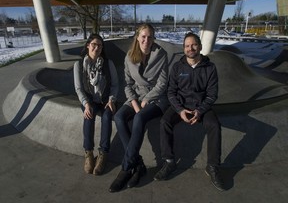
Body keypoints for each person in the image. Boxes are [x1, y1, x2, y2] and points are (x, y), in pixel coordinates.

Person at [153, 33, 225, 191]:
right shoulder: (177, 68)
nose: (190, 48)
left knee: (214, 125)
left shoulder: (210, 68)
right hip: (181, 105)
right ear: (183, 48)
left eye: (193, 45)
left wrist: (200, 111)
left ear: (199, 46)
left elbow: (212, 95)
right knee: (165, 122)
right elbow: (171, 92)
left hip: (202, 107)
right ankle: (169, 162)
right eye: (187, 45)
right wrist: (179, 110)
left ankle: (212, 167)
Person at [109, 23, 169, 192]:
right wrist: (134, 102)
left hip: (156, 98)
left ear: (153, 38)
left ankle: (127, 167)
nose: (146, 40)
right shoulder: (129, 56)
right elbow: (127, 84)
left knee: (140, 117)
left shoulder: (161, 54)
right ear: (137, 37)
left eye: (150, 37)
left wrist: (146, 100)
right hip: (136, 96)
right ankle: (139, 164)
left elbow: (162, 83)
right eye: (143, 36)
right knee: (119, 117)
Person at [73, 33, 119, 175]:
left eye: (99, 45)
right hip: (89, 100)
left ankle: (103, 154)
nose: (97, 47)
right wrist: (86, 104)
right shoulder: (79, 65)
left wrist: (111, 99)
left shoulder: (108, 63)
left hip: (105, 99)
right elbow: (79, 88)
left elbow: (115, 85)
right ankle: (88, 153)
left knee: (106, 117)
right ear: (88, 45)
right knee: (89, 115)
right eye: (94, 44)